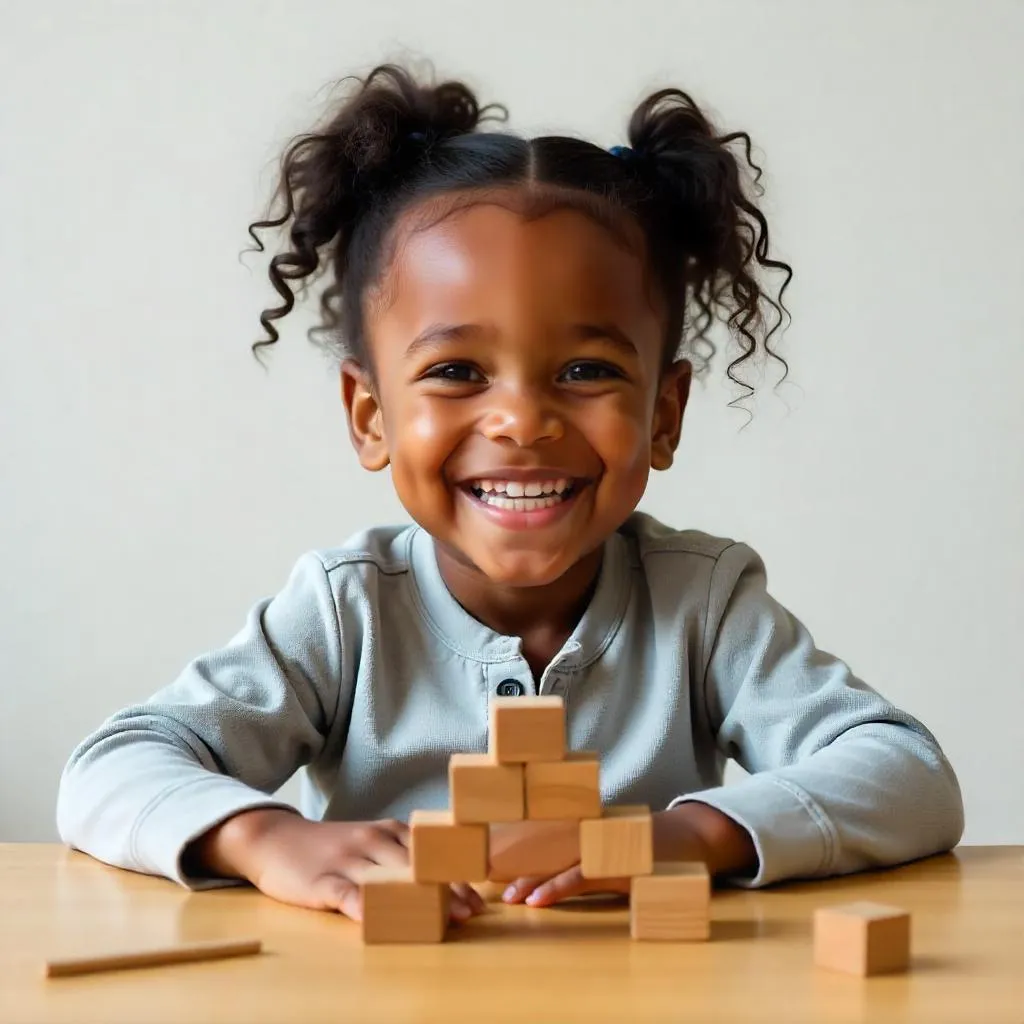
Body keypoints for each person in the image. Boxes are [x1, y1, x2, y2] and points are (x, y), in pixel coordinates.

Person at [56, 64, 963, 925]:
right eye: (456, 370)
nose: (522, 421)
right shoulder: (344, 611)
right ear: (370, 416)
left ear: (664, 412)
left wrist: (688, 838)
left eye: (584, 369)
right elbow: (111, 768)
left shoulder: (704, 605)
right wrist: (265, 838)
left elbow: (910, 774)